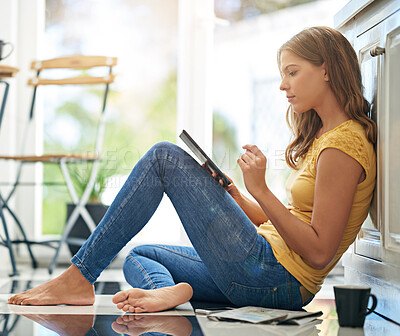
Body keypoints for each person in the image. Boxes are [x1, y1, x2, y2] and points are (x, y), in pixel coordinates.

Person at [8, 26, 376, 312]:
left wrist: (261, 189)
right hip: (266, 267)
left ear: (326, 71)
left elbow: (317, 252)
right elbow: (289, 222)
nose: (283, 85)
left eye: (292, 73)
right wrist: (237, 193)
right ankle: (172, 292)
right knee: (141, 255)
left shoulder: (343, 147)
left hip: (277, 277)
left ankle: (78, 276)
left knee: (163, 158)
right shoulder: (327, 138)